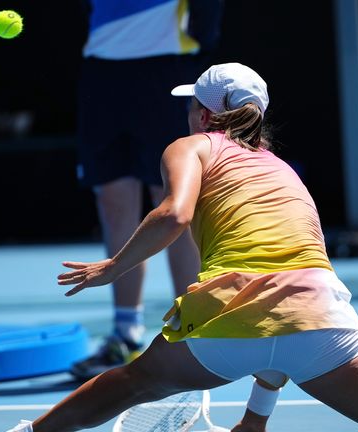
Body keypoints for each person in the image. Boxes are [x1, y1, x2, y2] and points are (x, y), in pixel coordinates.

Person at [6, 63, 358, 432]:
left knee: (129, 383)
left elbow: (175, 214)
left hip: (227, 319)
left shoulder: (192, 146)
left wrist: (115, 268)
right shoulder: (284, 171)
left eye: (191, 105)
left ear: (204, 115)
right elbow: (284, 310)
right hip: (322, 320)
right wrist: (255, 418)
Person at [71, 0, 222, 380]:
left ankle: (194, 328)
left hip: (164, 68)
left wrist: (200, 40)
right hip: (102, 70)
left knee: (173, 199)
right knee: (112, 199)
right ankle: (125, 332)